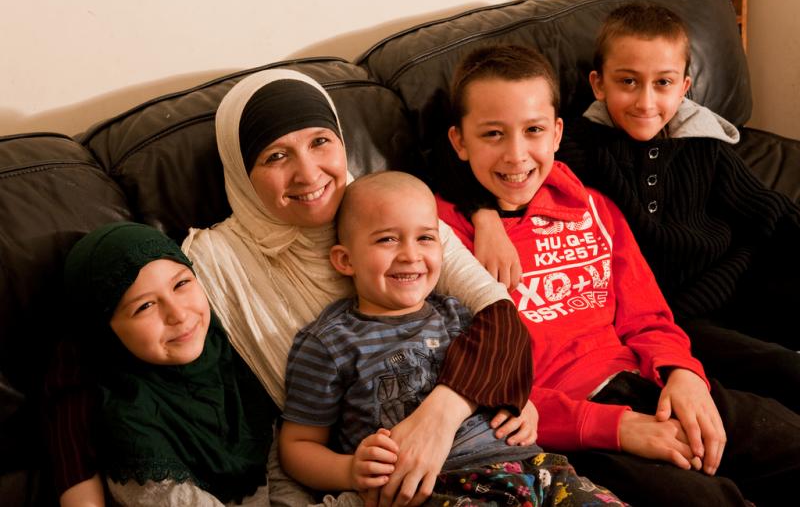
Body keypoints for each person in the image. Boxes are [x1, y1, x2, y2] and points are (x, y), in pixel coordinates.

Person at [48, 68, 535, 507]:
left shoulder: (394, 213)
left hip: (478, 446)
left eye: (321, 142)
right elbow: (84, 355)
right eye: (276, 155)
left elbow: (497, 315)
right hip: (360, 479)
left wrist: (470, 400)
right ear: (241, 172)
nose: (308, 173)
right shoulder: (212, 264)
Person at [435, 43, 800, 506]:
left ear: (556, 133)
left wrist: (682, 373)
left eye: (533, 131)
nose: (516, 154)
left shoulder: (592, 205)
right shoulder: (438, 241)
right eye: (492, 134)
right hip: (576, 428)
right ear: (459, 142)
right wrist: (617, 428)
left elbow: (647, 316)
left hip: (651, 381)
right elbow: (478, 394)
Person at [459, 3, 800, 413]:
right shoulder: (573, 145)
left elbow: (770, 212)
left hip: (741, 276)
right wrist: (484, 216)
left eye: (663, 83)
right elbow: (457, 159)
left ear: (685, 86)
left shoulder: (703, 144)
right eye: (628, 82)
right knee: (784, 371)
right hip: (680, 315)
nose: (645, 101)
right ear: (598, 85)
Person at [280, 170, 626, 507]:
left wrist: (525, 403)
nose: (411, 255)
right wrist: (349, 470)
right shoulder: (329, 341)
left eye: (425, 238)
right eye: (387, 239)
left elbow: (503, 374)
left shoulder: (459, 315)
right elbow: (297, 446)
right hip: (442, 486)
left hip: (533, 467)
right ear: (345, 259)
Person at [59, 221, 275, 506]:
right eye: (144, 306)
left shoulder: (235, 355)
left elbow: (283, 468)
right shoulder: (133, 432)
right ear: (105, 332)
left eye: (182, 284)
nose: (178, 314)